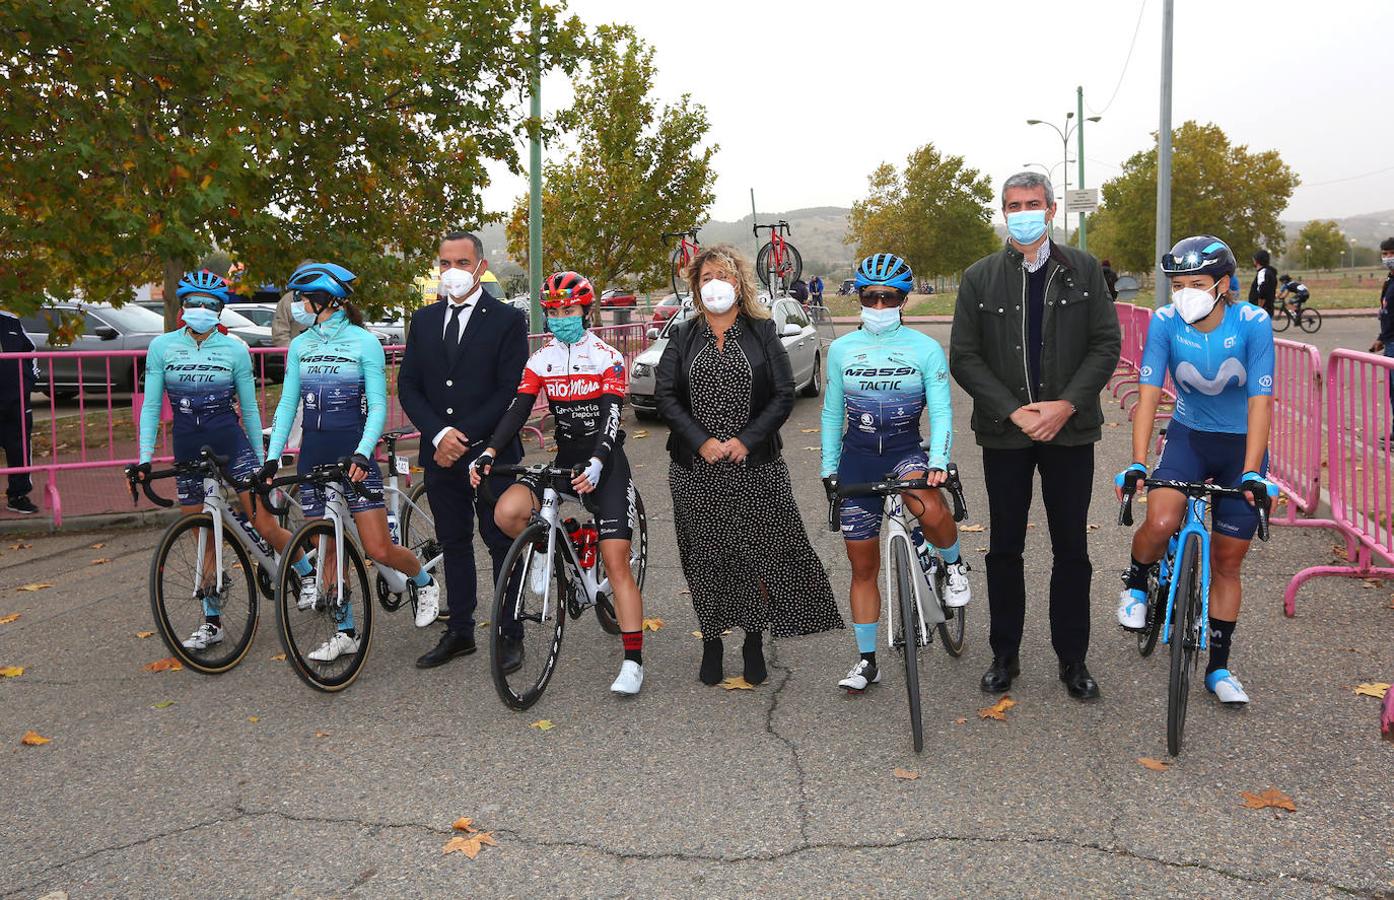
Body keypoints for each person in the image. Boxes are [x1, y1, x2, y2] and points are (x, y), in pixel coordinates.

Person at [949, 171, 1120, 701]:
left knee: (1072, 549)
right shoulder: (979, 278)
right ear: (1003, 211)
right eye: (1013, 204)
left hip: (1071, 433)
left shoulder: (1085, 270)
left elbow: (1105, 344)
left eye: (1033, 203)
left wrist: (1065, 405)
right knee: (1005, 548)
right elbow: (965, 357)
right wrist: (1015, 412)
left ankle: (1073, 659)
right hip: (1006, 435)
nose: (1023, 211)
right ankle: (1005, 655)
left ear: (1050, 210)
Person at [656, 245, 842, 686]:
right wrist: (700, 441)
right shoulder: (682, 336)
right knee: (705, 558)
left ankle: (754, 639)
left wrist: (747, 440)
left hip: (754, 465)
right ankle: (713, 641)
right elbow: (665, 396)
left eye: (723, 275)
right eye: (705, 277)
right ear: (695, 287)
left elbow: (783, 394)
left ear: (739, 282)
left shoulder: (762, 331)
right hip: (694, 469)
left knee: (757, 555)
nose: (715, 283)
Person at [471, 271, 649, 695]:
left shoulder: (606, 355)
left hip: (605, 460)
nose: (559, 317)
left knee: (616, 559)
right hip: (565, 459)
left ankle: (633, 661)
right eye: (552, 311)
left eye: (568, 309)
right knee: (507, 512)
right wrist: (490, 451)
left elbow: (610, 417)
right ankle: (550, 546)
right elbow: (518, 409)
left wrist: (599, 461)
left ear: (586, 312)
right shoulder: (541, 359)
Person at [1116, 235, 1275, 706]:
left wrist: (1250, 472)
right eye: (1178, 283)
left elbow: (1261, 401)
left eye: (1197, 283)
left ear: (1223, 284)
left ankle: (1219, 667)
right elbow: (1147, 394)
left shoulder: (1253, 323)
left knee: (1227, 562)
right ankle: (1138, 580)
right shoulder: (1165, 322)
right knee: (1162, 520)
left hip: (1240, 448)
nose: (1185, 291)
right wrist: (1139, 460)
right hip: (1188, 438)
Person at [259, 262, 440, 663]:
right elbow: (289, 403)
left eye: (304, 300)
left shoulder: (364, 342)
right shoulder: (302, 345)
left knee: (378, 548)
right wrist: (272, 459)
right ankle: (346, 631)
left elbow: (378, 406)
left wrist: (363, 451)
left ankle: (423, 581)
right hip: (314, 454)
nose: (298, 307)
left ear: (324, 301)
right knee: (327, 545)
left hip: (353, 452)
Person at [822, 253, 969, 692]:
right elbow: (832, 414)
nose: (880, 306)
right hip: (858, 457)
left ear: (903, 299)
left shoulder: (924, 348)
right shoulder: (841, 351)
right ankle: (867, 661)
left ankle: (954, 564)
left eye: (889, 297)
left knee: (926, 502)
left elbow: (942, 412)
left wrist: (939, 462)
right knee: (861, 566)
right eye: (871, 297)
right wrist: (829, 468)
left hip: (906, 451)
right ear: (860, 298)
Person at [133, 270, 303, 649]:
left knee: (264, 522)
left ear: (220, 311)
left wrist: (262, 463)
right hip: (188, 446)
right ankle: (212, 621)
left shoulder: (236, 349)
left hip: (232, 444)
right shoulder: (162, 347)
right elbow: (150, 407)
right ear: (183, 307)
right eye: (194, 304)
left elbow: (250, 409)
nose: (202, 311)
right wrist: (144, 458)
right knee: (202, 538)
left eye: (210, 306)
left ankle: (304, 571)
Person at [398, 231, 529, 669]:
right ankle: (460, 633)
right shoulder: (425, 319)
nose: (451, 271)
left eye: (460, 262)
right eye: (444, 263)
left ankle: (511, 631)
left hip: (492, 449)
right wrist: (439, 436)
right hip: (440, 456)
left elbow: (509, 390)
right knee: (453, 542)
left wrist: (465, 438)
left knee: (498, 541)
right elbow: (409, 387)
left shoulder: (507, 320)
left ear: (479, 265)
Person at [0, 305, 39, 514]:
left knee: (20, 448)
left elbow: (31, 350)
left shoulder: (10, 320)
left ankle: (18, 494)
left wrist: (28, 381)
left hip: (16, 401)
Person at [1368, 237, 1394, 443]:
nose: (1387, 257)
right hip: (1390, 342)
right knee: (1392, 391)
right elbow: (1387, 312)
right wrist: (1381, 338)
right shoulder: (1389, 280)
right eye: (1384, 253)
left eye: (1391, 253)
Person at [272, 259, 315, 348]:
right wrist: (293, 354)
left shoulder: (331, 298)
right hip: (297, 357)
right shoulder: (287, 300)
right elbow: (280, 335)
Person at [1248, 249, 1278, 318]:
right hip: (1268, 308)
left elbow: (1263, 290)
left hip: (1261, 310)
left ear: (1257, 260)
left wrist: (1259, 308)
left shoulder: (1263, 272)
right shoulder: (1270, 272)